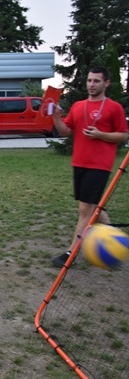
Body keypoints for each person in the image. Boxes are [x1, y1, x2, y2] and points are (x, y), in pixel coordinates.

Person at [51, 66, 128, 267]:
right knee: (93, 207)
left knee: (85, 209)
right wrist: (56, 116)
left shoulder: (113, 107)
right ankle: (115, 242)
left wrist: (100, 135)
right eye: (89, 80)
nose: (91, 84)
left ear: (106, 83)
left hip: (100, 164)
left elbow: (123, 135)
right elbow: (65, 131)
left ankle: (71, 253)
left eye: (96, 81)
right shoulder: (78, 106)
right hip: (79, 163)